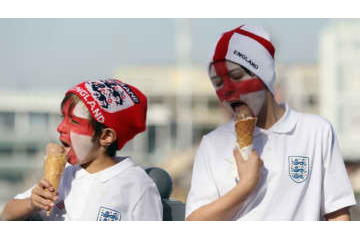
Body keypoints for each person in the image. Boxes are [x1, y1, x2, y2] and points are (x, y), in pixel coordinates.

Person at [185, 25, 356, 221]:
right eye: (218, 83)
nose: (228, 90)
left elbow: (337, 214)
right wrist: (245, 187)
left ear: (264, 75)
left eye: (237, 76)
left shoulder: (316, 132)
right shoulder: (212, 144)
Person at [1, 79, 163, 221]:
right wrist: (32, 204)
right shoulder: (64, 174)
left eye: (74, 121)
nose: (60, 128)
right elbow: (6, 214)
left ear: (106, 136)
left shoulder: (137, 186)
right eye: (62, 117)